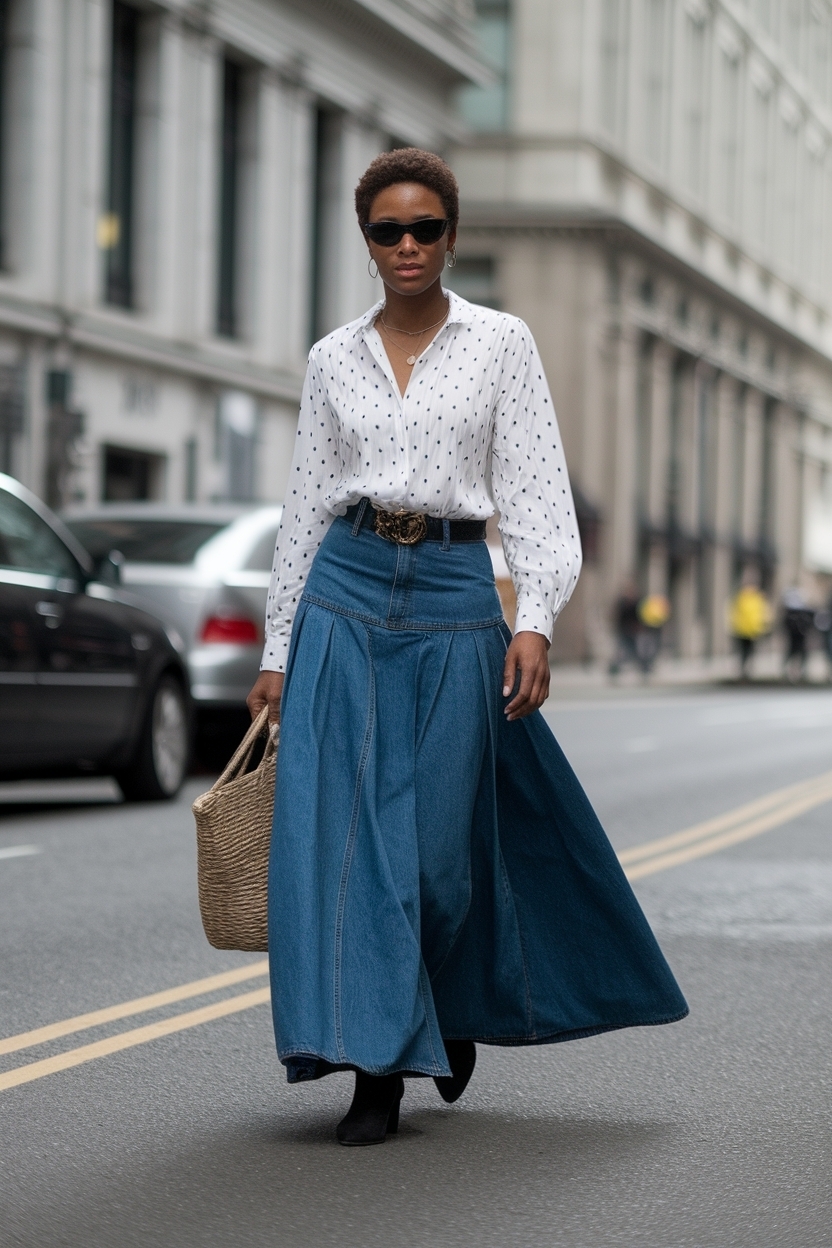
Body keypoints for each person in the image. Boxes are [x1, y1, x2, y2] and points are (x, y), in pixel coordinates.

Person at [247, 149, 687, 1147]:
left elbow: (535, 494)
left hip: (454, 593)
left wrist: (533, 619)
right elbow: (305, 508)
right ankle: (376, 1068)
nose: (406, 245)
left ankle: (447, 1005)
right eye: (387, 231)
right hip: (346, 591)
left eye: (425, 229)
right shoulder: (331, 358)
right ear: (366, 243)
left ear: (452, 237)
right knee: (356, 851)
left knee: (442, 856)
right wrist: (278, 648)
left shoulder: (502, 343)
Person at [728, 576, 771, 679]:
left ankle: (748, 669)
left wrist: (764, 625)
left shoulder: (757, 598)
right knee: (743, 650)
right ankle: (743, 669)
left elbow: (764, 612)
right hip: (742, 629)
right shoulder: (740, 598)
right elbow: (733, 612)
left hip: (753, 629)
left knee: (750, 650)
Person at [782, 588, 815, 682]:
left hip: (801, 637)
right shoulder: (791, 613)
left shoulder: (802, 613)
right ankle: (788, 670)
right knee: (793, 651)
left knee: (802, 652)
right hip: (794, 637)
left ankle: (801, 671)